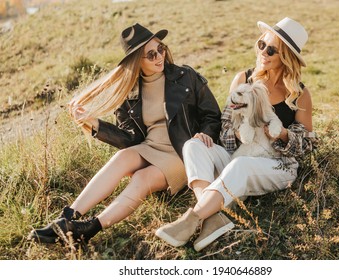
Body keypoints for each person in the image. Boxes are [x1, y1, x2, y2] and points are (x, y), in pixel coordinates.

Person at [28, 23, 221, 244]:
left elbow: (212, 115)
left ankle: (90, 228)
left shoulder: (186, 76)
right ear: (137, 60)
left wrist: (205, 133)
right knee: (122, 157)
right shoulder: (130, 92)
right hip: (150, 147)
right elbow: (131, 139)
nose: (159, 56)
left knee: (142, 177)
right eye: (151, 54)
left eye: (161, 49)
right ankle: (67, 219)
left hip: (183, 152)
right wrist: (96, 125)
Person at [155, 17, 317, 252]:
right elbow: (226, 126)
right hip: (241, 154)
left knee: (241, 165)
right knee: (193, 146)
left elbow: (308, 145)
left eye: (272, 50)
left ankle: (191, 220)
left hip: (277, 166)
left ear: (286, 58)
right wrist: (237, 134)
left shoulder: (299, 94)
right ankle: (213, 218)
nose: (263, 52)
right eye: (262, 44)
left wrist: (282, 134)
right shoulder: (243, 79)